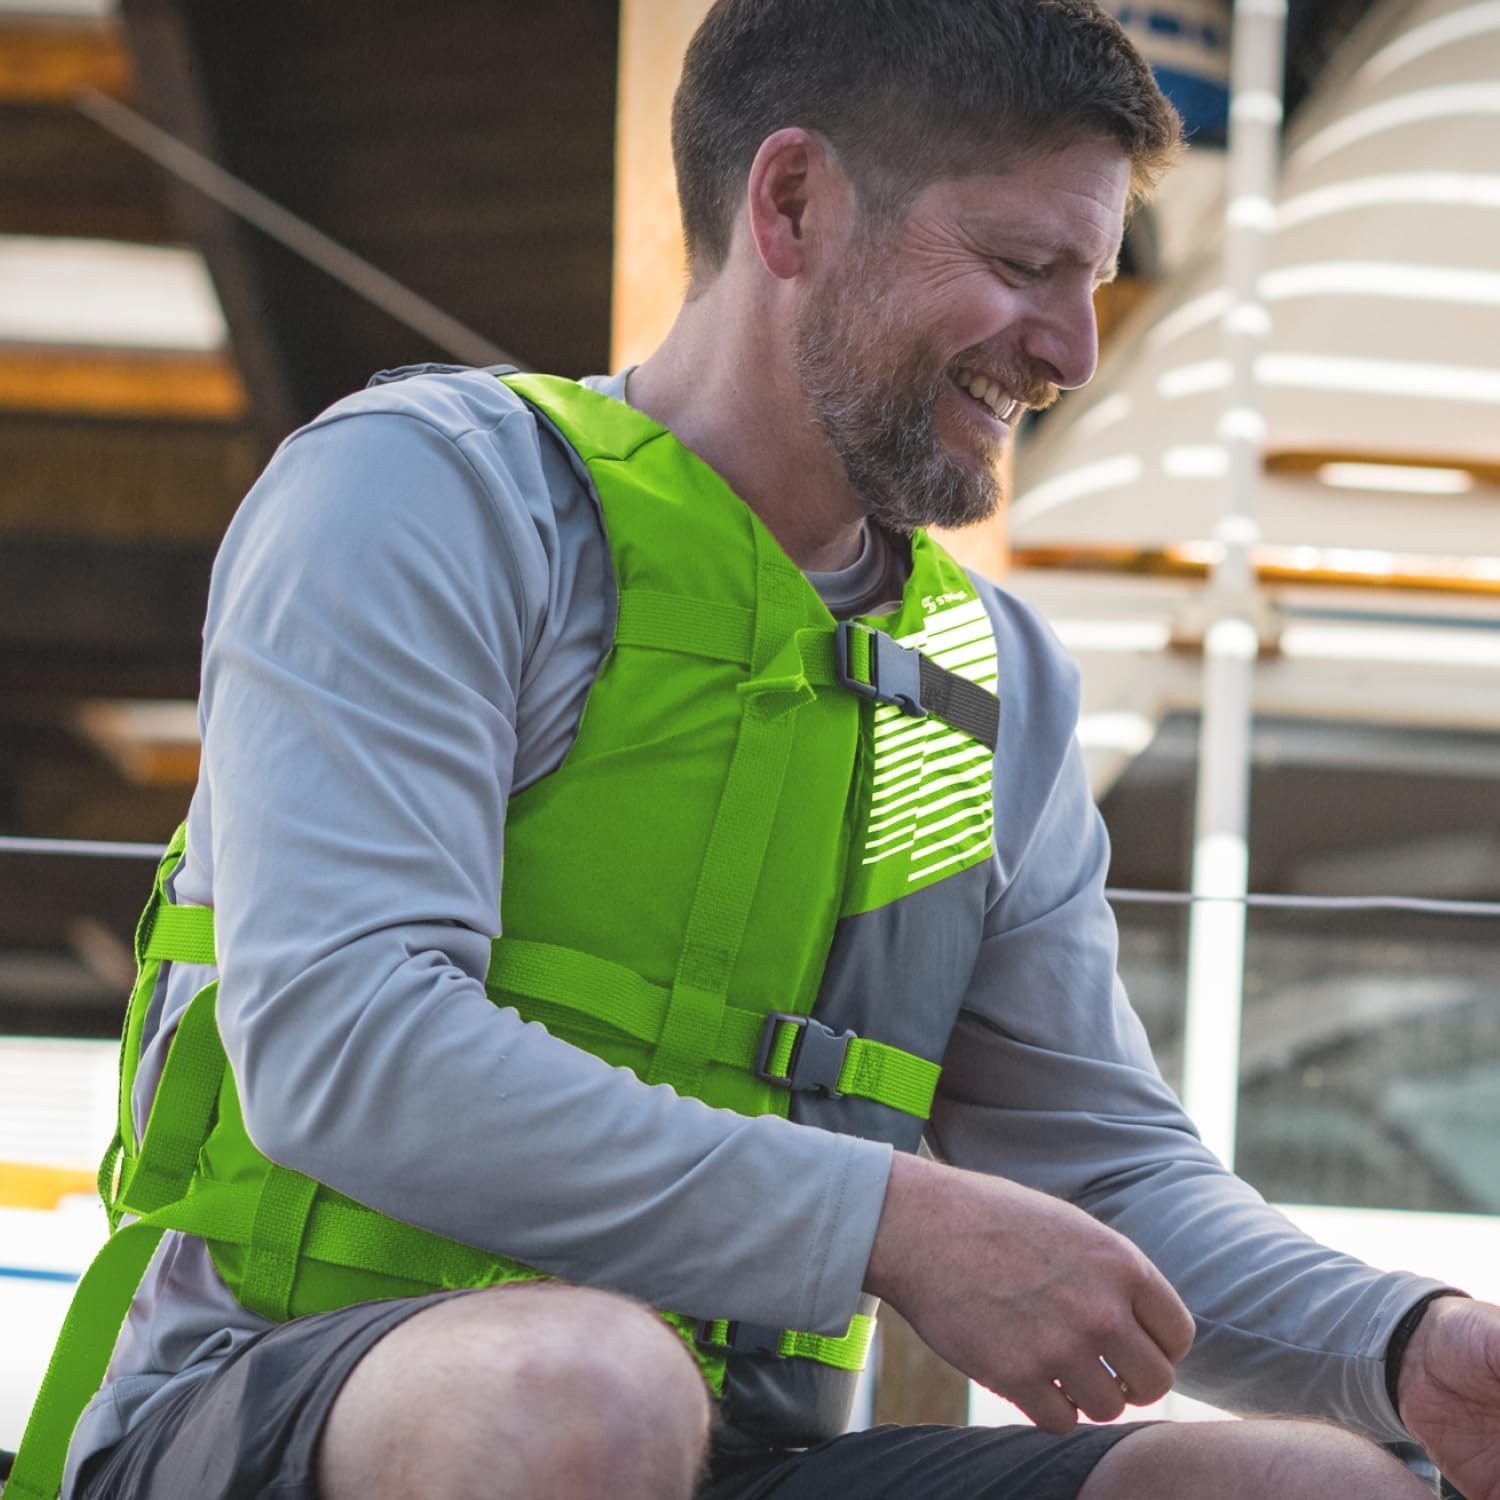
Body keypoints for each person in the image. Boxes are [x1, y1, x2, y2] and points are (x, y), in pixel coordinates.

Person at [13, 2, 1500, 1498]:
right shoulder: (434, 498)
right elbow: (348, 1049)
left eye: (1092, 283)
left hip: (750, 1458)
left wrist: (1408, 1348)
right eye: (1020, 265)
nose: (1071, 350)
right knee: (584, 1395)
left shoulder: (987, 685)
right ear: (792, 203)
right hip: (273, 1408)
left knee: (1313, 1490)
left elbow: (1100, 1171)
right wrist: (892, 1222)